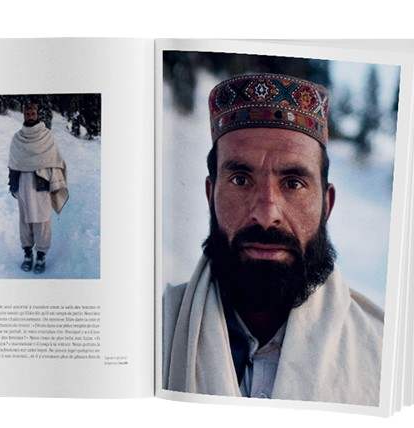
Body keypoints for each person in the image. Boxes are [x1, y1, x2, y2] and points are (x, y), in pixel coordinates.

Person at [162, 74, 384, 405]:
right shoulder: (152, 330)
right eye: (240, 179)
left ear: (327, 204)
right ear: (211, 196)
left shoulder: (386, 351)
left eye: (293, 183)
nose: (266, 214)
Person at [8, 103, 69, 274]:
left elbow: (55, 161)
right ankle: (28, 254)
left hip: (42, 184)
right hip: (22, 185)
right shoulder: (17, 138)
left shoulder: (46, 136)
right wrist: (12, 184)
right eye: (27, 114)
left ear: (38, 114)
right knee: (25, 221)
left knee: (42, 221)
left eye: (33, 113)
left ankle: (41, 255)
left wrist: (56, 182)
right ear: (24, 115)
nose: (30, 116)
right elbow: (13, 163)